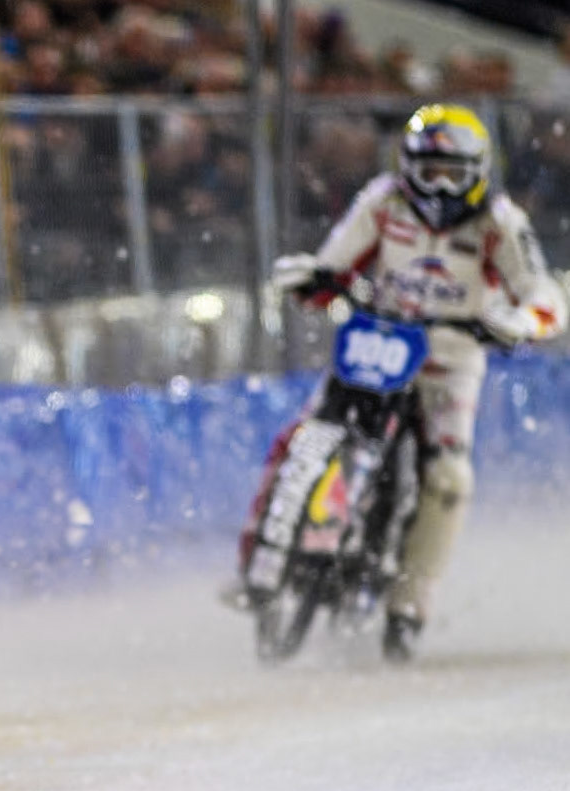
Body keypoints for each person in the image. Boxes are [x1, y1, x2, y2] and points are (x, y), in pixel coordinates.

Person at [240, 104, 567, 661]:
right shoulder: (384, 200)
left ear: (478, 171)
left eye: (451, 172)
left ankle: (409, 603)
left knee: (448, 477)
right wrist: (314, 278)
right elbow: (335, 261)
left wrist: (518, 323)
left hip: (451, 360)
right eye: (428, 168)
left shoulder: (500, 222)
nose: (437, 184)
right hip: (376, 343)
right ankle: (264, 548)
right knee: (304, 430)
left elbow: (545, 297)